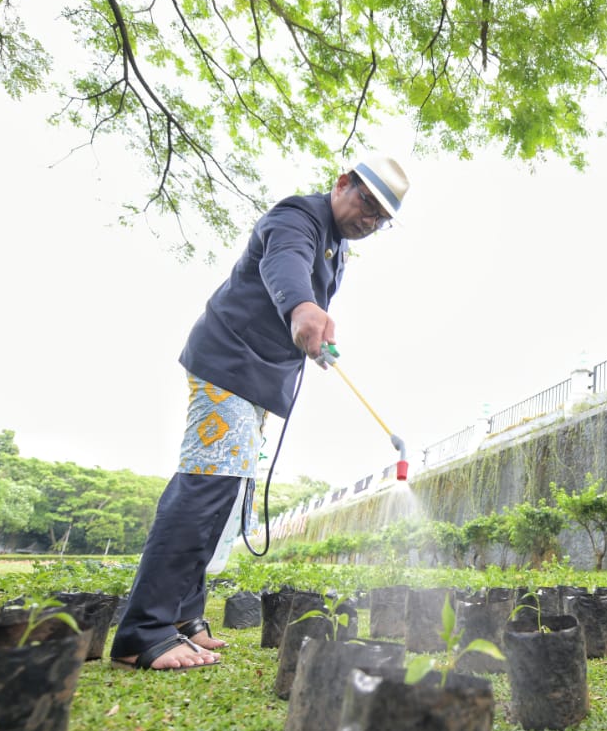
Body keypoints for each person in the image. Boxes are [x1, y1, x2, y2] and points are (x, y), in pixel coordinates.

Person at [109, 154, 410, 671]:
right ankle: (143, 631)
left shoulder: (337, 250)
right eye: (367, 202)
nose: (370, 219)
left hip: (257, 380)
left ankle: (183, 616)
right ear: (342, 183)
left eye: (381, 218)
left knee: (227, 494)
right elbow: (284, 263)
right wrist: (302, 306)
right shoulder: (298, 216)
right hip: (227, 362)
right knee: (207, 482)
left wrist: (311, 343)